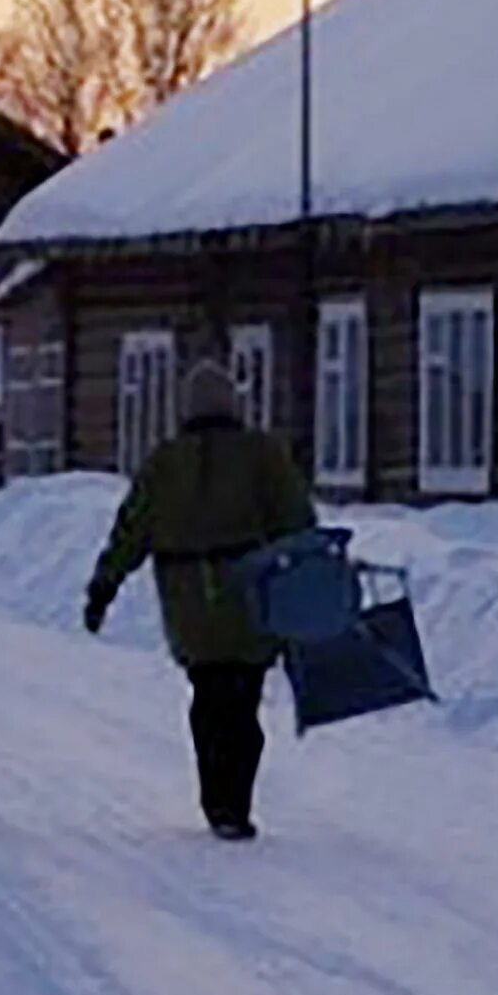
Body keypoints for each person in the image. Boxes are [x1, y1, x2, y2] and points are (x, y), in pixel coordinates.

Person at [83, 356, 315, 840]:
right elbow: (297, 521)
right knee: (244, 703)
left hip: (188, 603)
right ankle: (236, 804)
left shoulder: (164, 462)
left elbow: (131, 530)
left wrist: (104, 586)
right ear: (234, 405)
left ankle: (216, 800)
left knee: (209, 698)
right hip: (252, 600)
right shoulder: (262, 455)